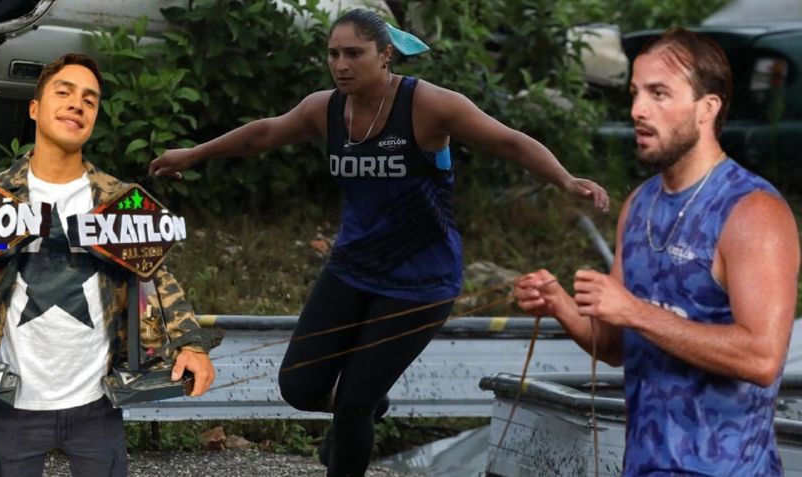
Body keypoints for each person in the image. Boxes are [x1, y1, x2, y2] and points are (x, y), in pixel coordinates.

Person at [149, 8, 608, 477]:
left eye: (354, 53)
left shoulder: (427, 105)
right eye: (333, 54)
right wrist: (195, 152)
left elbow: (510, 142)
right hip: (351, 268)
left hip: (421, 282)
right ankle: (367, 403)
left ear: (385, 55)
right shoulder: (323, 109)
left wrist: (565, 179)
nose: (341, 64)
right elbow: (264, 133)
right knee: (300, 388)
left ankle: (359, 409)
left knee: (352, 405)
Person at [514, 27, 799, 476]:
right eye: (635, 93)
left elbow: (762, 359)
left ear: (708, 108)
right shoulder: (640, 204)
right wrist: (560, 305)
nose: (637, 110)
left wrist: (633, 310)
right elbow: (615, 346)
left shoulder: (753, 212)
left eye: (659, 93)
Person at [0, 53, 220, 477]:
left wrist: (190, 344)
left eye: (90, 100)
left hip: (98, 403)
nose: (77, 104)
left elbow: (158, 278)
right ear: (35, 108)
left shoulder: (120, 200)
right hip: (15, 403)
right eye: (64, 92)